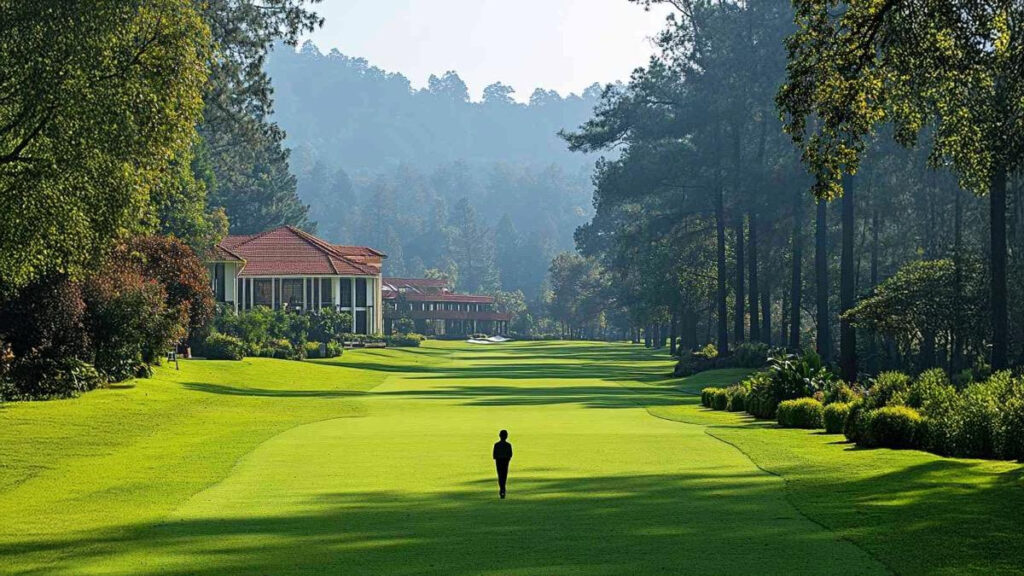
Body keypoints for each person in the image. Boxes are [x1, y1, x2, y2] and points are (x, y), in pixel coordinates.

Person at [492, 429, 513, 499]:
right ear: (506, 436)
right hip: (505, 461)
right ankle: (503, 488)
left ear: (499, 436)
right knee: (504, 475)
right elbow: (510, 454)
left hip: (499, 461)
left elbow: (494, 455)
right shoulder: (508, 445)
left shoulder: (496, 445)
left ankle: (502, 488)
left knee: (500, 475)